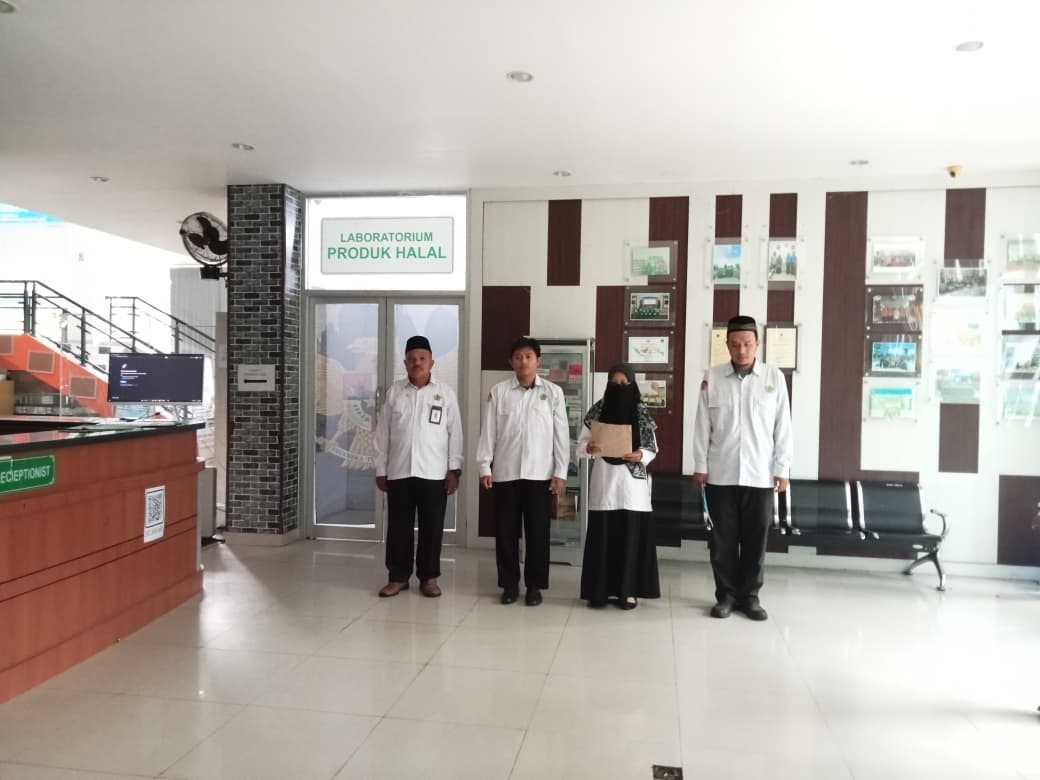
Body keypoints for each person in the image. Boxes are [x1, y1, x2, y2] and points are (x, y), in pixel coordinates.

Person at [692, 315, 792, 621]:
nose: (741, 350)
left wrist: (783, 467)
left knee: (755, 540)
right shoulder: (712, 378)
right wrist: (699, 465)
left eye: (747, 343)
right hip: (720, 474)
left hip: (760, 475)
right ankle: (725, 596)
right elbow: (702, 426)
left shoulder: (774, 378)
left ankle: (750, 596)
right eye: (735, 344)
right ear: (727, 345)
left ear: (757, 344)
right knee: (722, 541)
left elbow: (783, 427)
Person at [476, 336, 569, 606]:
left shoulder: (553, 393)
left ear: (538, 361)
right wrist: (484, 465)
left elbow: (561, 435)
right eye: (518, 357)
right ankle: (509, 585)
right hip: (505, 474)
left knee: (538, 534)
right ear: (511, 362)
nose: (523, 361)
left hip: (540, 475)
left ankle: (535, 586)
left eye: (528, 356)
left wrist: (560, 471)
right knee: (506, 533)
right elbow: (489, 432)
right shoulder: (499, 392)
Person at [373, 335, 463, 598]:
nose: (417, 363)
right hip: (400, 471)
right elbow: (382, 434)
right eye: (412, 359)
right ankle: (398, 577)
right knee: (398, 527)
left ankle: (429, 578)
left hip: (434, 473)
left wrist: (454, 469)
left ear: (432, 362)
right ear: (405, 363)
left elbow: (455, 434)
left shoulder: (445, 394)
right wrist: (381, 469)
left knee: (432, 528)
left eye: (422, 358)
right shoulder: (394, 393)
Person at [578, 363, 661, 609]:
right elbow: (580, 446)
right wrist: (588, 448)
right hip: (604, 484)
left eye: (624, 383)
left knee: (630, 539)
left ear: (633, 385)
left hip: (632, 488)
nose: (619, 387)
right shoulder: (597, 411)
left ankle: (628, 592)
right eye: (614, 383)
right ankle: (599, 592)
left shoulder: (641, 413)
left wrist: (641, 455)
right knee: (603, 539)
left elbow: (653, 448)